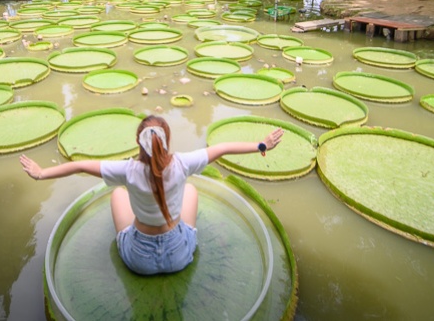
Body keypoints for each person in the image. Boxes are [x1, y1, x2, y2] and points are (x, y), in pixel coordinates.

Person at [19, 115, 283, 276]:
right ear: (166, 141)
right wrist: (262, 145)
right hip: (180, 256)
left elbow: (79, 165)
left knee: (117, 195)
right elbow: (223, 148)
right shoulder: (182, 164)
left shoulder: (126, 170)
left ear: (138, 142)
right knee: (190, 189)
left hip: (138, 260)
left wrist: (42, 173)